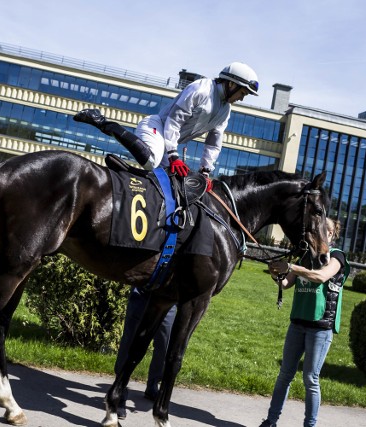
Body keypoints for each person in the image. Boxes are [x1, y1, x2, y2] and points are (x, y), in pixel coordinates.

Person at [74, 62, 259, 187]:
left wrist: (205, 171)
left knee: (171, 185)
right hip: (157, 127)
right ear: (232, 84)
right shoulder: (201, 88)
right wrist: (173, 156)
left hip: (170, 143)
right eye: (243, 92)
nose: (242, 98)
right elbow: (174, 120)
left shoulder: (225, 110)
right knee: (151, 159)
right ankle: (102, 121)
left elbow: (213, 141)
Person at [259, 218, 350, 427]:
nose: (320, 232)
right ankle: (270, 421)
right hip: (297, 323)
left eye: (325, 230)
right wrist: (276, 274)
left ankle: (310, 425)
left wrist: (291, 266)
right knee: (284, 376)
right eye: (317, 229)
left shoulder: (336, 257)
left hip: (320, 327)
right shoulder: (304, 256)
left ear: (331, 235)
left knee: (311, 379)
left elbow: (320, 276)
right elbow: (286, 282)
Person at [113, 287, 177, 419]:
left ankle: (153, 385)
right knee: (129, 343)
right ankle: (119, 393)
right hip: (143, 292)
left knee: (164, 345)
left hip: (168, 299)